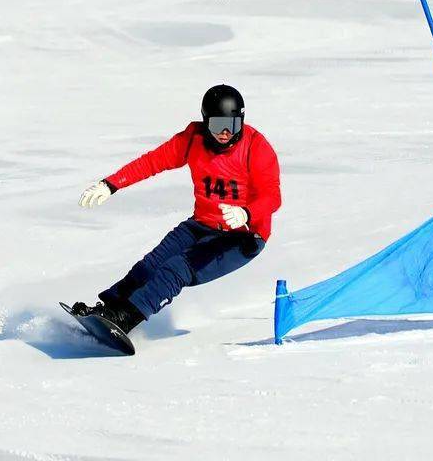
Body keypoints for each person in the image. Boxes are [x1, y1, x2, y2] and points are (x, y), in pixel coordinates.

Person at [72, 84, 281, 335]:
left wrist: (246, 213)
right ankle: (107, 310)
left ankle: (125, 321)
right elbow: (153, 161)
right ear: (205, 123)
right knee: (151, 265)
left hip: (243, 236)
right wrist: (111, 184)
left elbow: (272, 195)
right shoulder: (194, 138)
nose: (225, 133)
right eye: (217, 125)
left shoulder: (256, 147)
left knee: (177, 269)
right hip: (201, 224)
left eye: (232, 125)